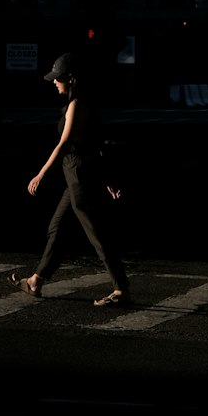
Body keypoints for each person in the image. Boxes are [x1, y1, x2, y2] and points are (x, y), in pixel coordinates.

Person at [9, 52, 131, 307]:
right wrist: (107, 177)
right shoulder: (78, 103)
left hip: (78, 173)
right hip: (76, 174)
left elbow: (65, 144)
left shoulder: (78, 105)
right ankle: (36, 281)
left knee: (95, 232)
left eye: (59, 78)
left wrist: (41, 173)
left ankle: (120, 289)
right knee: (58, 227)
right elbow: (95, 143)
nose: (54, 82)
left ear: (71, 78)